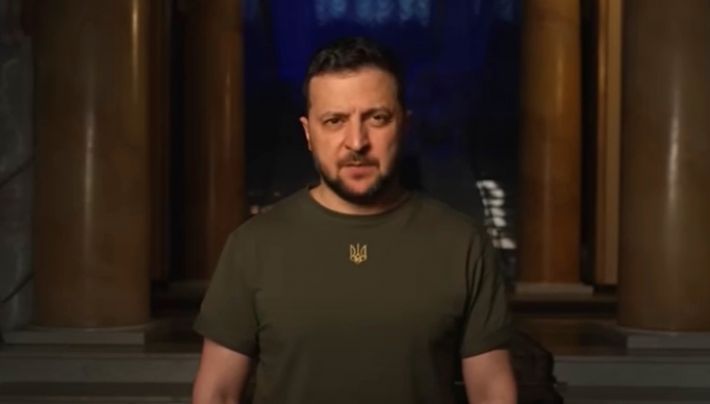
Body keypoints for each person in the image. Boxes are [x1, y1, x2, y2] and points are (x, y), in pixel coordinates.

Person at [192, 36, 516, 404]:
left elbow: (492, 391)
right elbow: (217, 392)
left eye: (377, 118)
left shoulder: (463, 243)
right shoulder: (252, 245)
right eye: (334, 121)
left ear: (404, 126)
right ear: (308, 133)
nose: (357, 142)